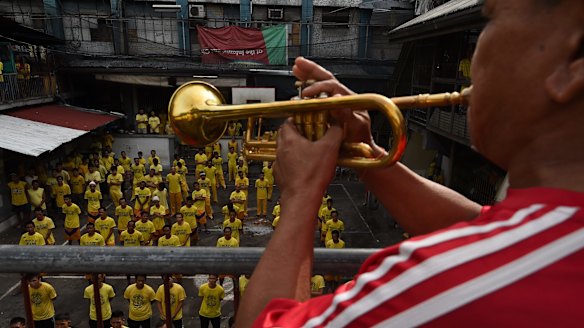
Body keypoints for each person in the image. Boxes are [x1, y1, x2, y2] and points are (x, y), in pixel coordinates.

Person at [239, 6, 584, 324]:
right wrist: (365, 152)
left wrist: (300, 195)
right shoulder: (558, 238)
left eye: (491, 20)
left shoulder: (442, 280)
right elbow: (483, 226)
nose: (472, 57)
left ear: (573, 60)